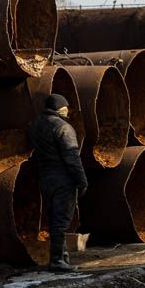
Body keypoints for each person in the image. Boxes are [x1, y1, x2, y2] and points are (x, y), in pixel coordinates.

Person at [28, 93, 89, 271]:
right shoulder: (63, 128)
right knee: (61, 221)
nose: (68, 110)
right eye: (66, 107)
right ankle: (57, 260)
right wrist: (82, 181)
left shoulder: (35, 125)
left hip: (45, 178)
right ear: (60, 109)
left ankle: (62, 257)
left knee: (53, 218)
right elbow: (72, 157)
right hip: (63, 179)